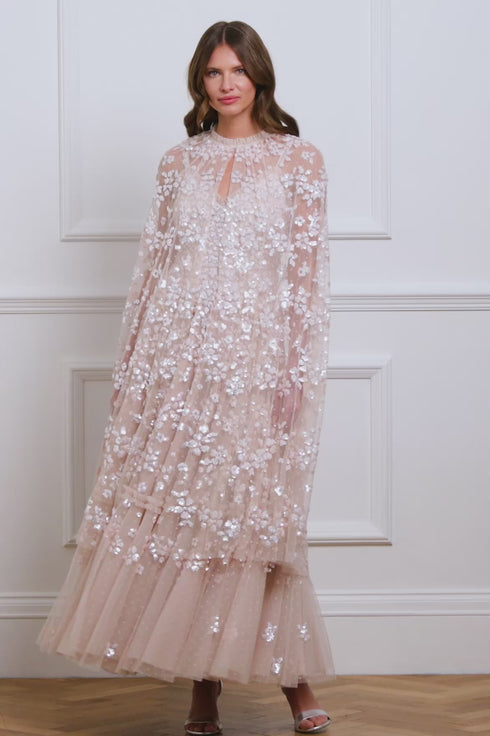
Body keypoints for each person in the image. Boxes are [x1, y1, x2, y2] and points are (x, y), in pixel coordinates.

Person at [37, 20, 335, 734]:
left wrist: (293, 372)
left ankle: (296, 686)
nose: (227, 84)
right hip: (176, 367)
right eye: (213, 72)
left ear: (260, 75)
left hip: (253, 365)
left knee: (254, 523)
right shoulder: (178, 163)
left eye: (238, 70)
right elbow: (152, 269)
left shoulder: (299, 160)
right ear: (200, 81)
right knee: (188, 523)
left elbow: (305, 277)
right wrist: (134, 368)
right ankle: (203, 690)